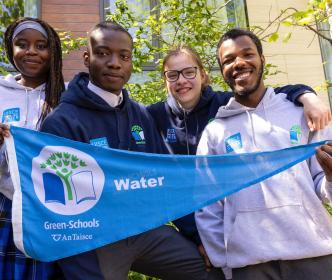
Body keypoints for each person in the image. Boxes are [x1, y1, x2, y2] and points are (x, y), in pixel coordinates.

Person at [40, 21, 225, 280]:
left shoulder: (140, 114)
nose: (115, 63)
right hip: (94, 241)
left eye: (124, 56)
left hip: (143, 231)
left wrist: (198, 237)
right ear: (86, 58)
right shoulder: (61, 123)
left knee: (211, 269)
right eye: (103, 53)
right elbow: (56, 209)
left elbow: (167, 179)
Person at [147, 44, 331, 274]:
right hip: (194, 225)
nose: (181, 80)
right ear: (165, 80)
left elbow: (271, 94)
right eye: (172, 75)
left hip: (246, 232)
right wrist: (198, 237)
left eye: (189, 72)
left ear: (203, 74)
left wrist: (307, 95)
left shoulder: (227, 104)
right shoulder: (154, 116)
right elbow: (166, 185)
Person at [195, 28, 332, 280]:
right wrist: (225, 261)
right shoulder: (215, 133)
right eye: (228, 60)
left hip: (316, 257)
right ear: (221, 70)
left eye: (247, 54)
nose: (238, 63)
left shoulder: (303, 113)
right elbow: (207, 204)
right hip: (250, 267)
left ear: (262, 60)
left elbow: (324, 190)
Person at [0, 17, 65, 279]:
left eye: (41, 45)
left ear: (53, 52)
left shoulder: (67, 96)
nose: (31, 51)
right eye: (22, 44)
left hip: (54, 209)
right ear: (10, 49)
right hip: (5, 205)